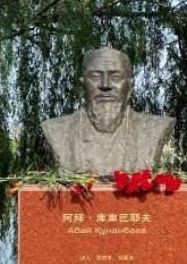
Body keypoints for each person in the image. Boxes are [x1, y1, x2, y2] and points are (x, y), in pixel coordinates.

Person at [42, 47, 174, 176]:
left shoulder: (155, 128)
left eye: (116, 77)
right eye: (95, 77)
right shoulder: (56, 129)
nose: (105, 85)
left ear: (130, 87)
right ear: (82, 87)